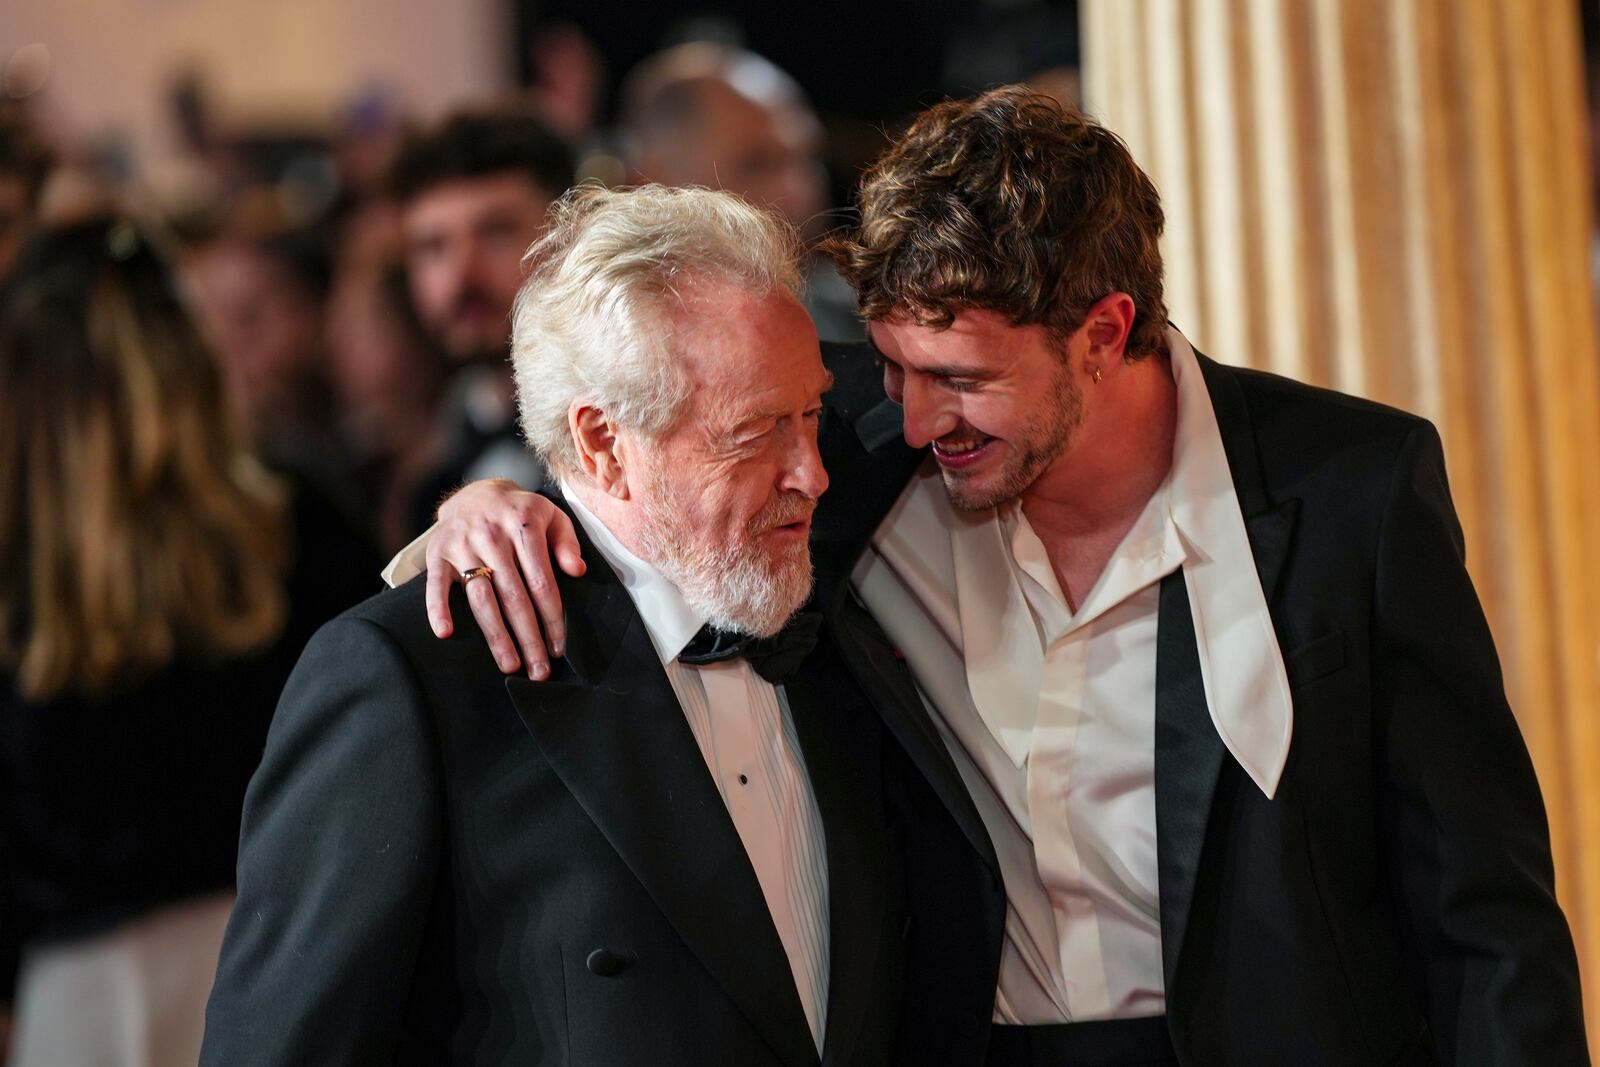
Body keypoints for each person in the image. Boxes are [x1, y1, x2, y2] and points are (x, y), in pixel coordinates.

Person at [410, 88, 1589, 1065]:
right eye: (890, 365)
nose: (914, 419)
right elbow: (661, 483)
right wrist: (491, 504)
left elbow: (1480, 907)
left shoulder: (1350, 489)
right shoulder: (856, 466)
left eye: (961, 374)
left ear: (1103, 328)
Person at [199, 185, 955, 1066]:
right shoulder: (418, 682)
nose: (812, 473)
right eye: (753, 434)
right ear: (600, 444)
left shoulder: (813, 585)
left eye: (811, 413)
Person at [0, 218, 377, 1067]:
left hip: (81, 986)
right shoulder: (295, 522)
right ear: (190, 351)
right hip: (278, 948)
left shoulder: (17, 564)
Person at [388, 108, 575, 534]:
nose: (461, 276)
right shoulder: (434, 458)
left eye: (495, 233)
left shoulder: (629, 423)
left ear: (569, 235)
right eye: (434, 247)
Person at [618, 42, 861, 341]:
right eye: (757, 164)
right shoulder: (606, 343)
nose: (798, 189)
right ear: (652, 184)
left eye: (806, 159)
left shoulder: (866, 325)